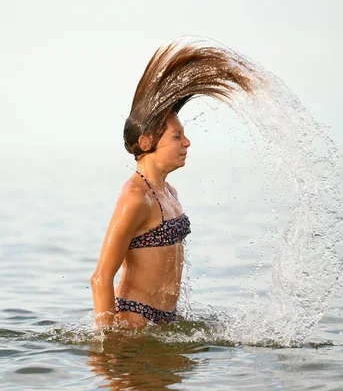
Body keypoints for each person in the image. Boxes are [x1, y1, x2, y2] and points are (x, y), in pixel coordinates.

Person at [90, 38, 253, 329]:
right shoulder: (135, 198)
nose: (187, 142)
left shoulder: (169, 192)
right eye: (177, 137)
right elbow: (101, 277)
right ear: (146, 142)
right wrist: (108, 346)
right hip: (134, 330)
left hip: (164, 328)